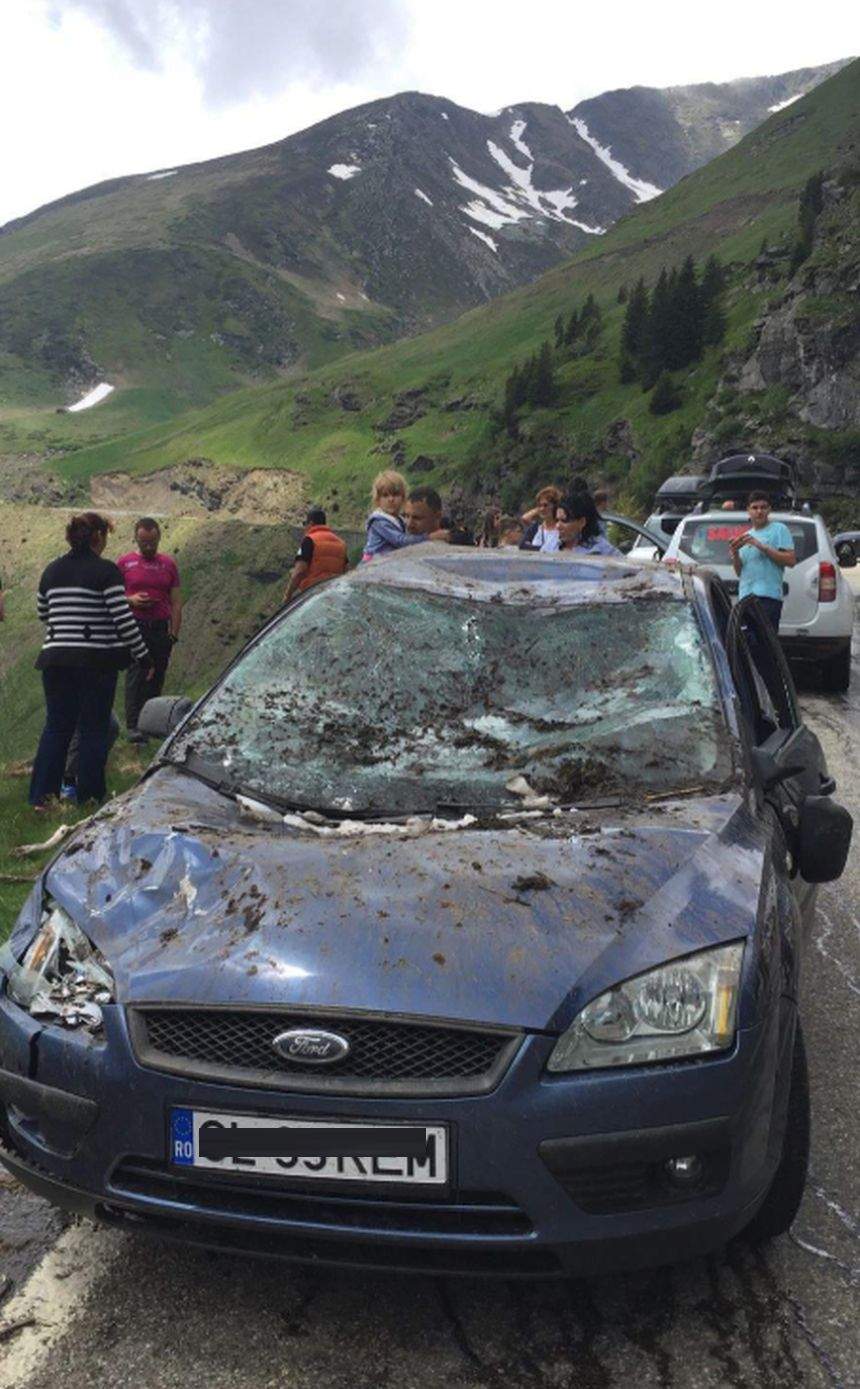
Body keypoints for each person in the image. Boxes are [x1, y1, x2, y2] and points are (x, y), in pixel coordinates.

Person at [29, 513, 152, 810]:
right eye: (105, 536)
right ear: (97, 536)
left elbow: (43, 612)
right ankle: (90, 797)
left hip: (55, 660)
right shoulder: (106, 572)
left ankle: (42, 799)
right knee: (94, 728)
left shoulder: (52, 571)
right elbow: (123, 619)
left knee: (57, 727)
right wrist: (144, 655)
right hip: (95, 662)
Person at [117, 518, 181, 743]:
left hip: (160, 628)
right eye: (144, 542)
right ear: (136, 538)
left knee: (158, 673)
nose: (148, 547)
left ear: (158, 538)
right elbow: (112, 596)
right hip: (135, 626)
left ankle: (152, 724)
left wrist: (173, 632)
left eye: (152, 542)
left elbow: (175, 601)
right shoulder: (125, 563)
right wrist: (131, 600)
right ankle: (134, 726)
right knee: (137, 673)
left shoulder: (168, 564)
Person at [729, 491, 796, 631]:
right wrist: (734, 554)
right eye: (755, 508)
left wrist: (761, 546)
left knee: (765, 647)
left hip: (768, 598)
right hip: (745, 599)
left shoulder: (779, 529)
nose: (759, 511)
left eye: (763, 507)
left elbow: (791, 560)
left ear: (769, 509)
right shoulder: (745, 536)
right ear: (748, 510)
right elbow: (739, 572)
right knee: (747, 645)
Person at [363, 472, 448, 560]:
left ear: (403, 497)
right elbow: (400, 541)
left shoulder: (398, 519)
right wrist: (429, 537)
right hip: (374, 559)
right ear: (377, 500)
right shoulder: (379, 521)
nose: (391, 499)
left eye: (395, 495)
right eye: (385, 495)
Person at [284, 507, 348, 603]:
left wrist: (287, 596)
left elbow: (299, 572)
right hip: (334, 596)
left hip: (313, 596)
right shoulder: (340, 543)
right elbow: (347, 571)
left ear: (311, 523)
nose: (304, 528)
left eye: (305, 524)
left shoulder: (309, 540)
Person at [557, 491, 622, 555]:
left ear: (582, 522)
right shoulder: (552, 546)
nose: (558, 526)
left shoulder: (602, 549)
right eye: (557, 520)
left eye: (564, 521)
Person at [405, 486, 471, 544]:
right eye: (406, 516)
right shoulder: (399, 531)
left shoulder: (459, 539)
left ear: (437, 516)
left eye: (417, 518)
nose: (409, 524)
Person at [519, 486, 562, 551]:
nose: (542, 509)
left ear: (555, 506)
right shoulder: (535, 528)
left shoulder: (562, 529)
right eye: (539, 505)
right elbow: (522, 546)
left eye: (545, 505)